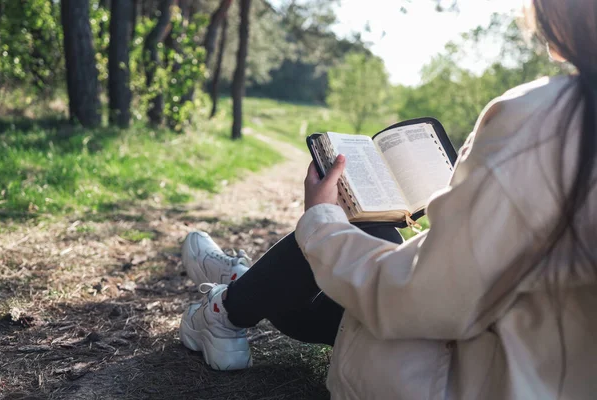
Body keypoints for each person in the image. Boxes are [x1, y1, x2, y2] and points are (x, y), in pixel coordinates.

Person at [178, 0, 597, 398]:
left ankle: (225, 307)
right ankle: (240, 282)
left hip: (474, 376)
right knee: (372, 228)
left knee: (340, 240)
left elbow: (428, 298)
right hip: (531, 361)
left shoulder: (548, 118)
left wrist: (321, 219)